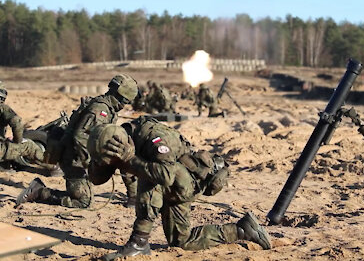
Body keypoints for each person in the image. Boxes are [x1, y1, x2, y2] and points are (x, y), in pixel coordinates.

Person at [86, 116, 271, 260]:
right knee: (183, 242)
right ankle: (242, 230)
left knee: (151, 179)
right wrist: (99, 165)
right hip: (173, 187)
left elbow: (165, 176)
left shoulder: (155, 138)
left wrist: (130, 159)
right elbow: (97, 179)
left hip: (185, 182)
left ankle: (139, 242)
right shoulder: (119, 140)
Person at [17, 74, 139, 208]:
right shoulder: (100, 110)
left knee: (124, 155)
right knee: (83, 202)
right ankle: (39, 191)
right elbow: (79, 136)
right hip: (73, 159)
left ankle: (133, 197)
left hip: (79, 156)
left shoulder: (108, 108)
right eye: (126, 102)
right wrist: (90, 162)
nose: (125, 105)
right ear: (122, 98)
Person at [0, 82, 44, 167]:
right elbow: (16, 121)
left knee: (5, 143)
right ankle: (54, 168)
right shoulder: (2, 108)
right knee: (29, 146)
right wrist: (18, 141)